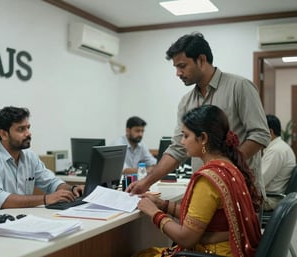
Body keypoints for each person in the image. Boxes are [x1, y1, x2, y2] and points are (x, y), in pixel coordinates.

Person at [126, 32, 270, 197]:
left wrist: (225, 167)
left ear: (201, 60)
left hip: (240, 191)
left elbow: (260, 134)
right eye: (176, 68)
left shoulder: (239, 87)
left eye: (182, 66)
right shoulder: (186, 102)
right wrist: (146, 182)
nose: (178, 73)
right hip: (204, 193)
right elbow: (177, 148)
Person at [133, 105, 261, 257]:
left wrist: (154, 213)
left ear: (204, 138)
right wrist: (162, 204)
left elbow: (186, 238)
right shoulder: (229, 166)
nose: (182, 142)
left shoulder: (208, 180)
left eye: (186, 136)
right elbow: (199, 218)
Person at [0, 106, 84, 212]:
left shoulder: (29, 156)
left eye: (28, 128)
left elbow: (51, 182)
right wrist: (45, 199)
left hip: (23, 219)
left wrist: (72, 189)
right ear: (3, 134)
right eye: (21, 129)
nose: (28, 133)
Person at [262, 114, 296, 210]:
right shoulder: (282, 147)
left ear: (270, 132)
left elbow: (260, 182)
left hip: (271, 200)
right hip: (275, 197)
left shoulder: (276, 151)